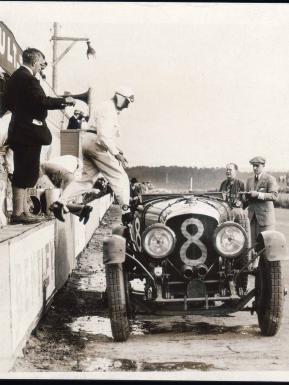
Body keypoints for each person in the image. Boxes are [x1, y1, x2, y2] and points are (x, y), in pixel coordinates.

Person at [5, 47, 75, 224]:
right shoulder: (29, 79)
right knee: (26, 172)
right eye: (41, 63)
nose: (42, 67)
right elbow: (41, 101)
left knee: (23, 171)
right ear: (34, 62)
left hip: (19, 131)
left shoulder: (15, 78)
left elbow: (12, 103)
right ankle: (19, 213)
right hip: (28, 134)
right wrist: (64, 101)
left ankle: (20, 212)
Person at [50, 86, 134, 224]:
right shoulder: (109, 109)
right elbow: (103, 136)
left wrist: (116, 148)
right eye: (127, 102)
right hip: (96, 144)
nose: (126, 107)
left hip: (89, 141)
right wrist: (116, 153)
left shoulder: (106, 108)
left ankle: (59, 203)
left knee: (86, 181)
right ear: (121, 98)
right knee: (120, 176)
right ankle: (126, 212)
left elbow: (102, 134)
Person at [244, 156, 278, 246]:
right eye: (253, 166)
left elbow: (274, 195)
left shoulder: (270, 179)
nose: (255, 168)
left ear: (263, 166)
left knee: (267, 247)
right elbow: (246, 199)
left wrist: (258, 194)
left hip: (266, 219)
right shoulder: (249, 180)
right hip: (251, 218)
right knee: (252, 246)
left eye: (257, 165)